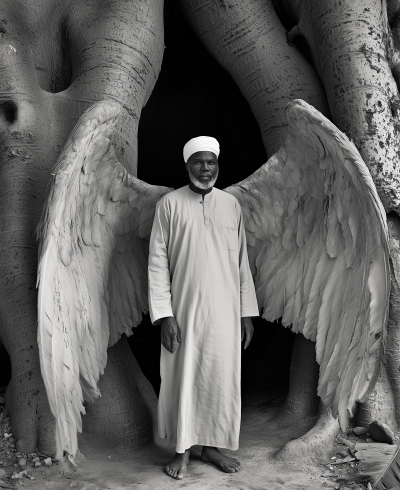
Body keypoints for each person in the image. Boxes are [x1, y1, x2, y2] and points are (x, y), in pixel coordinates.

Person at [148, 136, 259, 480]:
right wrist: (164, 315)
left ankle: (211, 447)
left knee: (220, 379)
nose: (205, 168)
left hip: (225, 313)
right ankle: (182, 451)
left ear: (218, 166)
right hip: (184, 312)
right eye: (198, 162)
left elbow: (242, 263)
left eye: (211, 162)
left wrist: (246, 313)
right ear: (187, 166)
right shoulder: (169, 205)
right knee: (183, 377)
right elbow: (156, 263)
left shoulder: (231, 206)